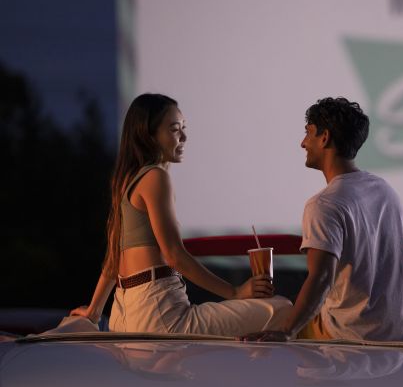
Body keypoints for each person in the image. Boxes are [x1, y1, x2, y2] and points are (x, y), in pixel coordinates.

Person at [71, 93, 290, 335]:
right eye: (175, 129)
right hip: (158, 313)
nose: (184, 137)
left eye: (183, 128)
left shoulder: (126, 182)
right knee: (282, 309)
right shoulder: (156, 177)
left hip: (122, 317)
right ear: (149, 135)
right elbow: (174, 255)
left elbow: (113, 259)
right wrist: (236, 292)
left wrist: (94, 310)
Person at [252, 97, 403, 342]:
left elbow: (321, 278)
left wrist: (285, 331)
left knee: (267, 321)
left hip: (354, 334)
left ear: (325, 138)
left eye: (308, 133)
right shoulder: (384, 189)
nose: (303, 143)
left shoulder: (324, 204)